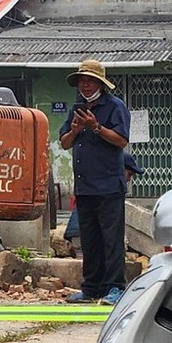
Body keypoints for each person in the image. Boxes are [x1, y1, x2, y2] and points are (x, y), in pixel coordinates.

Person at [59, 59, 131, 304]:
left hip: (109, 186)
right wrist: (77, 129)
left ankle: (115, 287)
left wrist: (96, 127)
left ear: (100, 83)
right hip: (85, 187)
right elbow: (65, 143)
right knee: (89, 240)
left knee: (111, 240)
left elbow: (121, 140)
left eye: (90, 81)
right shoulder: (76, 109)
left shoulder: (114, 107)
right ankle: (91, 288)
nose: (85, 85)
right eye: (82, 81)